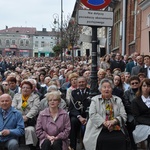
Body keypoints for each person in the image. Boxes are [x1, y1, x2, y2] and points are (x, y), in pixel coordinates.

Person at [83, 78, 127, 150]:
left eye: (109, 87)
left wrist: (114, 121)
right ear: (100, 89)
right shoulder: (95, 100)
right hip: (99, 128)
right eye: (104, 87)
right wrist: (104, 122)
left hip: (115, 127)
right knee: (100, 140)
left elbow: (123, 115)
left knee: (120, 139)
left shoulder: (118, 100)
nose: (107, 89)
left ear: (112, 89)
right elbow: (92, 114)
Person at [12, 80, 40, 150]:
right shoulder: (16, 96)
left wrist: (27, 117)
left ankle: (32, 147)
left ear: (31, 89)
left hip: (29, 120)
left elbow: (35, 108)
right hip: (17, 119)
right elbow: (13, 107)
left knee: (30, 130)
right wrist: (20, 118)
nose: (25, 89)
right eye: (23, 87)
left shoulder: (35, 97)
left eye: (27, 88)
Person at [69, 76, 90, 150]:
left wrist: (87, 118)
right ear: (77, 83)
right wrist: (79, 117)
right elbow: (72, 108)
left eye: (83, 82)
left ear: (86, 82)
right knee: (73, 121)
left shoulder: (91, 92)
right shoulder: (73, 93)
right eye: (79, 82)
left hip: (89, 115)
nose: (81, 84)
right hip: (77, 116)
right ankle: (72, 146)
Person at [123, 75, 141, 150]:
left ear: (139, 83)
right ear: (130, 84)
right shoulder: (127, 93)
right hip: (131, 117)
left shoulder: (142, 92)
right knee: (131, 136)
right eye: (132, 83)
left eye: (136, 83)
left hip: (141, 116)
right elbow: (127, 105)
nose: (134, 84)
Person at [132, 78, 150, 145]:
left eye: (148, 86)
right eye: (144, 86)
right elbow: (137, 117)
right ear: (141, 87)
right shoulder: (135, 101)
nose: (146, 88)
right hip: (141, 124)